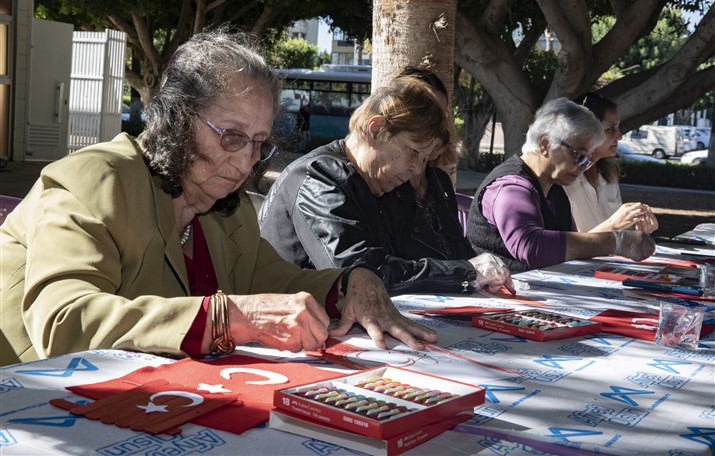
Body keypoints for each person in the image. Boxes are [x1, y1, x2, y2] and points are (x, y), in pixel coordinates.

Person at [0, 28, 436, 367]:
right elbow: (63, 324)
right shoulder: (93, 181)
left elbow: (275, 283)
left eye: (258, 143)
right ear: (177, 118)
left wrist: (351, 283)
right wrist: (227, 320)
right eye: (231, 136)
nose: (246, 161)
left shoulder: (227, 208)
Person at [258, 76, 512, 295]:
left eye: (424, 159)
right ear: (376, 129)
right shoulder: (318, 176)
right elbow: (359, 273)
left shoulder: (382, 184)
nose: (416, 168)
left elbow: (409, 264)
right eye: (413, 151)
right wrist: (466, 272)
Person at [466, 98, 656, 274]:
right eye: (579, 156)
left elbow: (571, 247)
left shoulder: (555, 189)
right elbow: (530, 246)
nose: (582, 167)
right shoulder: (511, 186)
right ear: (545, 143)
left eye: (588, 160)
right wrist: (616, 241)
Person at [566, 92, 659, 233]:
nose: (619, 136)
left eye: (618, 128)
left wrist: (635, 224)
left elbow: (614, 235)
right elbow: (565, 246)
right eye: (611, 129)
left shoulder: (608, 175)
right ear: (585, 131)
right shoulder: (563, 178)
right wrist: (614, 224)